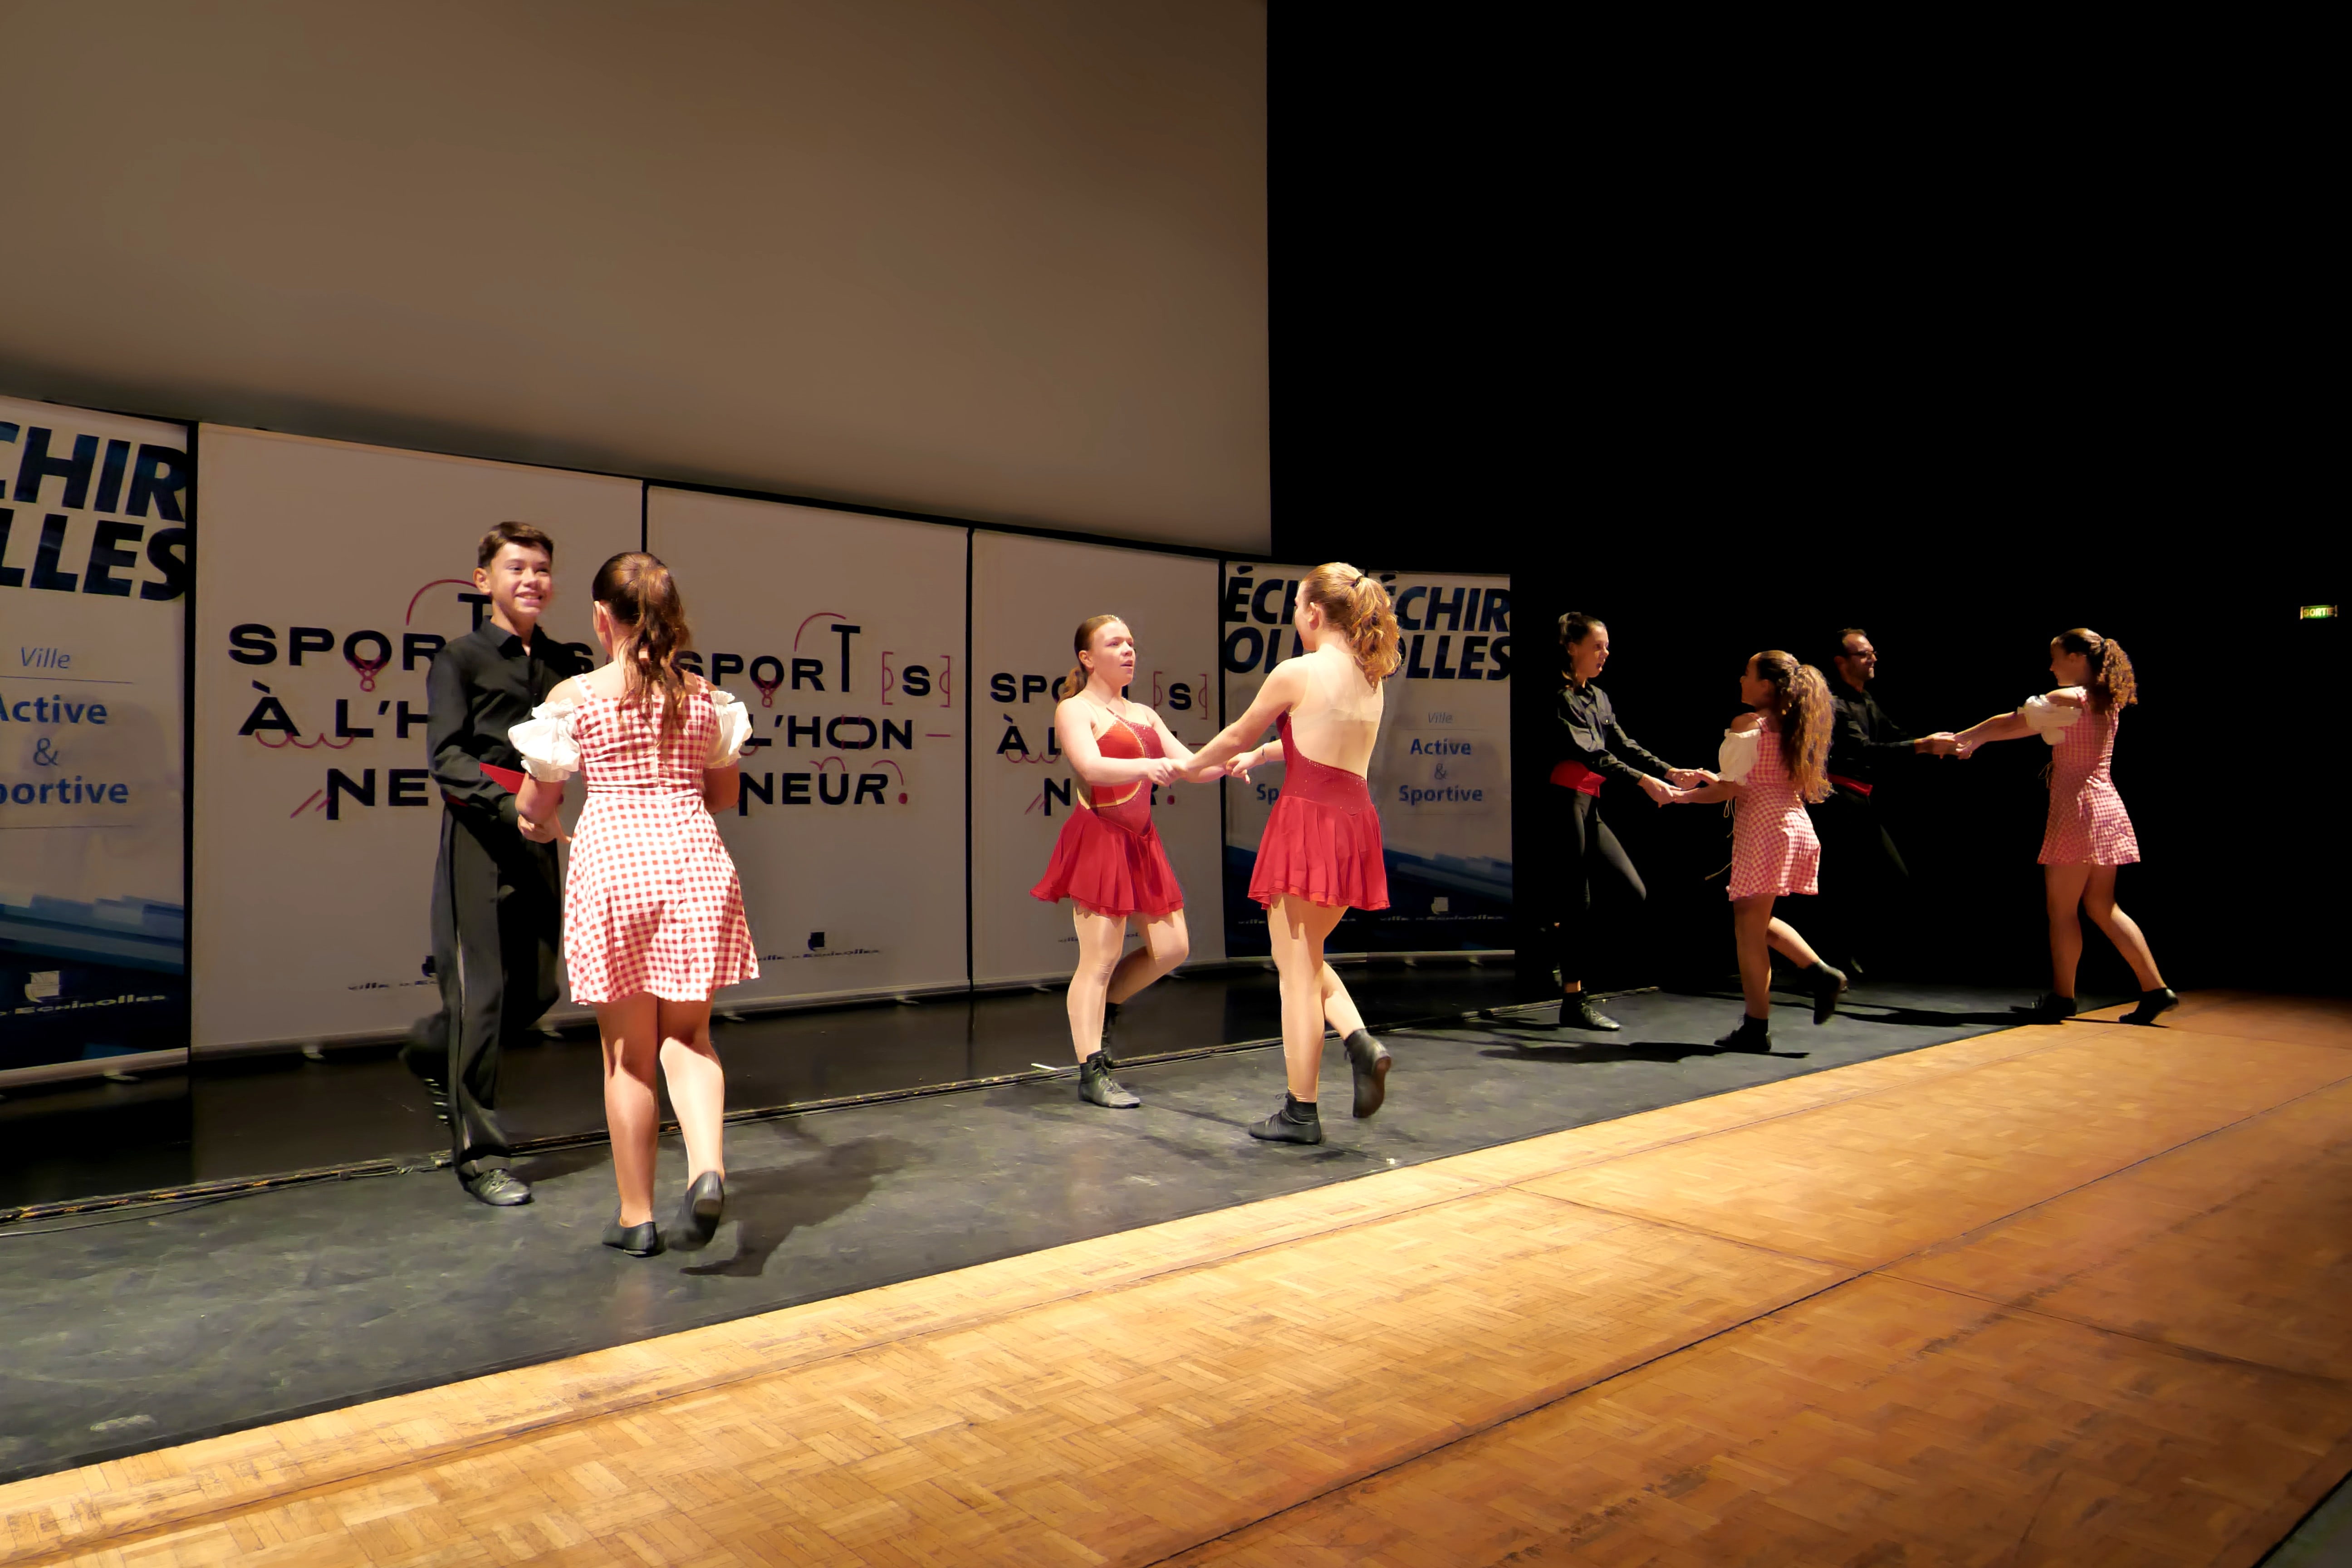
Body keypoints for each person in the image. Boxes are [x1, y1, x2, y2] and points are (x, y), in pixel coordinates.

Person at [511, 552, 757, 1256]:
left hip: (616, 865)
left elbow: (538, 802)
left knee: (628, 1057)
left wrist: (533, 817)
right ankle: (707, 1167)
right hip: (694, 861)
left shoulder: (575, 696)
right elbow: (723, 796)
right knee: (692, 1038)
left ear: (600, 618)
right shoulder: (706, 697)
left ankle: (636, 1217)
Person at [402, 521, 591, 1208]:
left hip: (539, 839)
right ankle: (481, 1157)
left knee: (538, 990)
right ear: (484, 580)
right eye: (517, 568)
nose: (532, 580)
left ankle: (433, 1047)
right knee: (479, 1001)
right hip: (481, 838)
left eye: (542, 568)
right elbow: (446, 757)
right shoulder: (460, 659)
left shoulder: (567, 665)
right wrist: (509, 806)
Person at [1187, 564, 1400, 1145]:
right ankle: (1359, 1043)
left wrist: (1188, 766)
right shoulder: (1369, 675)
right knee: (1303, 958)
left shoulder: (1297, 672)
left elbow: (1235, 732)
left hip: (1308, 821)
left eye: (1295, 610)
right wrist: (1263, 756)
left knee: (1297, 976)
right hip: (1353, 820)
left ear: (1312, 613)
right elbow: (1318, 738)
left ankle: (1301, 1110)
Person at [1032, 614, 1224, 1109]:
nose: (1128, 650)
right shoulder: (1075, 710)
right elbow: (1091, 766)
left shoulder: (1144, 713)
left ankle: (1106, 1010)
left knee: (1172, 947)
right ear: (1087, 657)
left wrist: (1236, 759)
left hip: (1141, 840)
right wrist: (1146, 765)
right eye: (1115, 643)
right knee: (1098, 961)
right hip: (1100, 836)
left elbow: (1187, 765)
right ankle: (1091, 1070)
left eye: (1131, 643)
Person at [1951, 628, 2176, 1025]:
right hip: (2106, 806)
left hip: (2078, 809)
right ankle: (2156, 989)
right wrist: (1977, 740)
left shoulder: (2067, 698)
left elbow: (2013, 722)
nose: (2051, 665)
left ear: (2076, 658)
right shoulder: (2104, 700)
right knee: (2103, 907)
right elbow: (2021, 726)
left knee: (2062, 910)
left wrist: (1967, 737)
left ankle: (2062, 998)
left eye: (2056, 657)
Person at [1656, 651, 1847, 1051]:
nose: (1740, 680)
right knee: (1755, 921)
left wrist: (1682, 798)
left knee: (1748, 931)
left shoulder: (1748, 724)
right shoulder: (1792, 724)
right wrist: (1709, 778)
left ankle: (1757, 1028)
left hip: (1766, 830)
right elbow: (1749, 781)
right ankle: (1819, 973)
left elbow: (1733, 789)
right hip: (1791, 826)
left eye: (1747, 674)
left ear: (1765, 685)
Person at [1537, 612, 1714, 1030]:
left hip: (1590, 802)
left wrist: (1670, 771)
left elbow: (1622, 743)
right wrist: (1644, 783)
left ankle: (1557, 938)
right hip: (1563, 803)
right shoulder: (1558, 697)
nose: (1605, 653)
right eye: (1597, 646)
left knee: (1631, 891)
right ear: (1571, 648)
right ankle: (1574, 1000)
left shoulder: (1597, 697)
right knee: (1578, 901)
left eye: (1607, 646)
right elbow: (1593, 755)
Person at [1814, 628, 1958, 975]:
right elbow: (1864, 750)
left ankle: (1840, 955)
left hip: (1860, 801)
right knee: (1842, 883)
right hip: (1837, 802)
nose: (1873, 659)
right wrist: (1923, 746)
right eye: (1864, 654)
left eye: (1872, 653)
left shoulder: (1866, 701)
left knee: (1876, 879)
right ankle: (1827, 961)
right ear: (1842, 662)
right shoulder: (1834, 704)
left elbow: (1896, 737)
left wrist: (1949, 742)